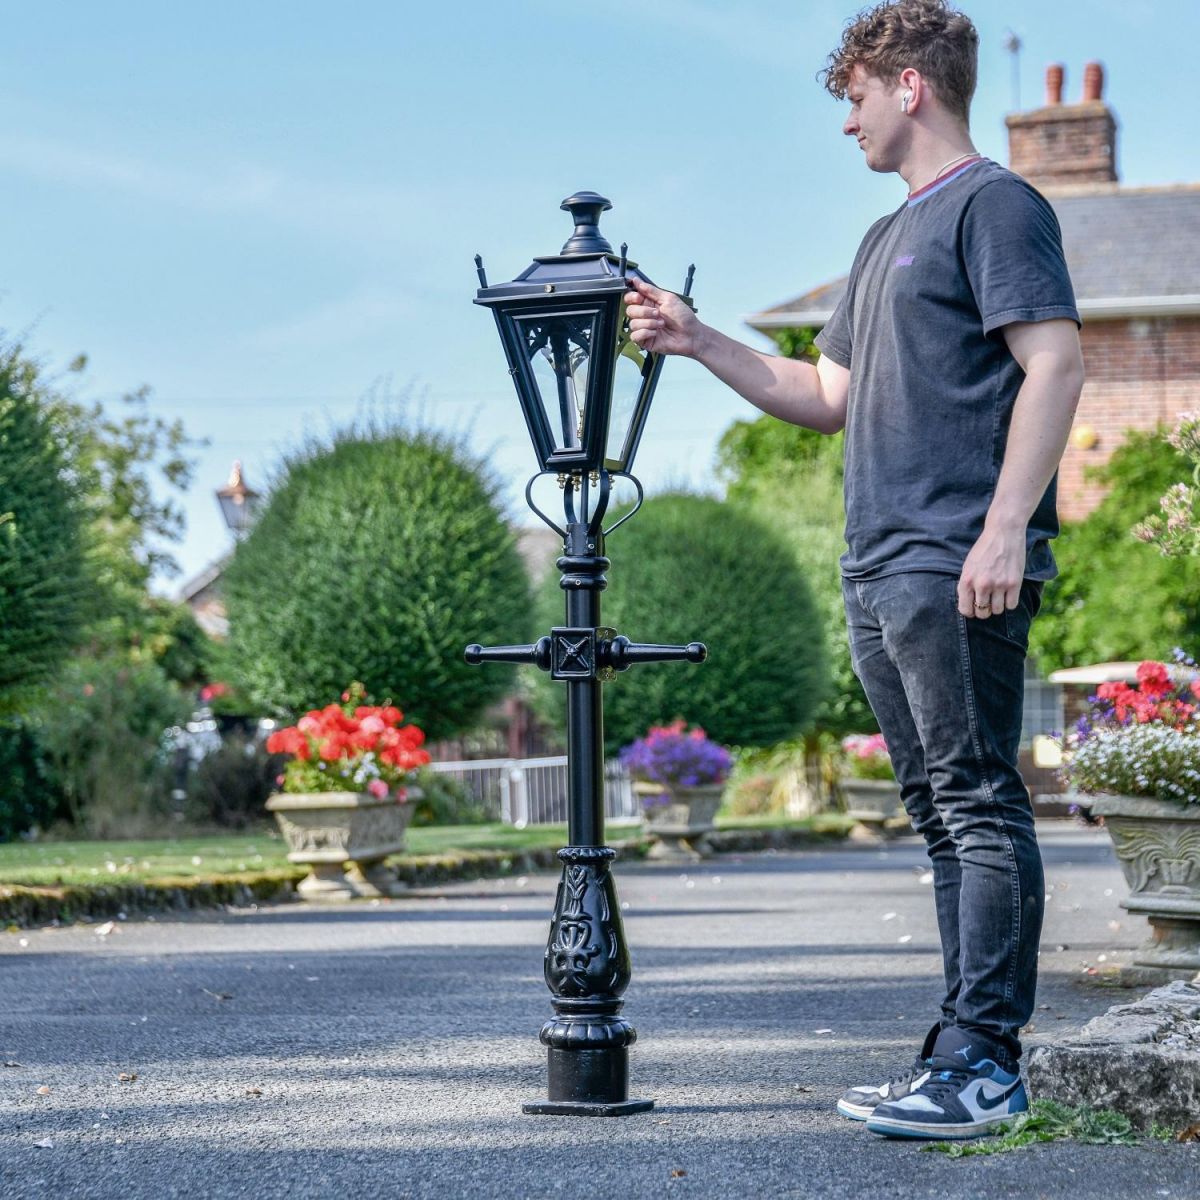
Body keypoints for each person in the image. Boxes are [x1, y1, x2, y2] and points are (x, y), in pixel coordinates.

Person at [624, 0, 1083, 1141]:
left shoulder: (997, 206)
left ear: (910, 86)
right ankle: (960, 1046)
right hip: (878, 565)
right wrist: (697, 338)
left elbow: (1057, 362)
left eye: (856, 96)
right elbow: (822, 400)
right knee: (936, 809)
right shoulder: (882, 243)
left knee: (976, 801)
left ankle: (988, 1064)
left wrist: (1004, 528)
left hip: (953, 554)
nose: (849, 123)